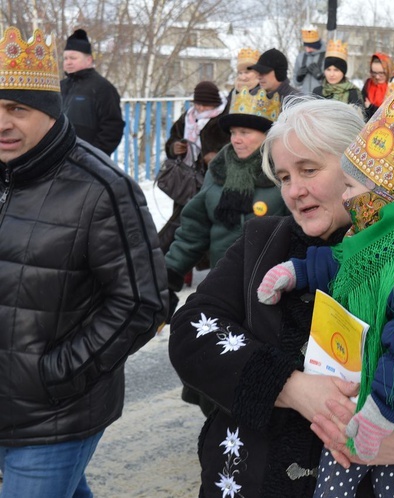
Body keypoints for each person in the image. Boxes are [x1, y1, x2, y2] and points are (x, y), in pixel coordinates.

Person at [168, 96, 394, 497]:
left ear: (359, 163)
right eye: (284, 177)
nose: (294, 191)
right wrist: (289, 386)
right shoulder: (263, 242)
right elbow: (191, 333)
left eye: (309, 169)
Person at [0, 26, 167, 497]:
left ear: (49, 113)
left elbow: (143, 302)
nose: (2, 123)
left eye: (17, 109)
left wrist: (55, 374)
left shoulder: (103, 189)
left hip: (53, 416)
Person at [165, 88, 288, 415]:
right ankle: (218, 423)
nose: (236, 139)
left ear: (266, 136)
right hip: (223, 286)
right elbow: (193, 225)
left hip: (270, 295)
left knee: (258, 369)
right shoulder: (219, 171)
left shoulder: (283, 175)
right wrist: (171, 271)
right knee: (217, 361)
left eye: (245, 132)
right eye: (233, 132)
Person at [158, 81, 230, 272]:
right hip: (187, 179)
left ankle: (162, 258)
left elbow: (231, 147)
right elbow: (172, 139)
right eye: (197, 104)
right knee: (184, 221)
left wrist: (213, 156)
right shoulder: (188, 118)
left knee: (196, 222)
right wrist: (174, 148)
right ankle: (176, 266)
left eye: (204, 105)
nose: (199, 109)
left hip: (211, 180)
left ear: (214, 103)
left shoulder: (223, 119)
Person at [60, 28, 125, 155]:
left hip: (87, 162)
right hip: (59, 159)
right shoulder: (60, 87)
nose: (68, 62)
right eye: (65, 58)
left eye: (73, 58)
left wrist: (93, 155)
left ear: (88, 60)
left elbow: (112, 127)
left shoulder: (103, 88)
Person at [312, 39, 364, 108]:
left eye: (336, 70)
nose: (331, 74)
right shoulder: (317, 91)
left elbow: (358, 116)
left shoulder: (353, 92)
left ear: (343, 72)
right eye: (328, 69)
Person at [362, 52, 394, 119]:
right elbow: (363, 108)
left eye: (381, 73)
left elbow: (391, 114)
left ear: (388, 70)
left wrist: (371, 107)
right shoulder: (368, 83)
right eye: (374, 73)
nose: (377, 77)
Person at [293, 25, 326, 94]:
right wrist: (298, 78)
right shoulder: (300, 57)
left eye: (310, 46)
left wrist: (321, 77)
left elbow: (333, 83)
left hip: (322, 99)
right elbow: (295, 83)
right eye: (306, 46)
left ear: (316, 45)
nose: (308, 50)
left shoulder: (326, 56)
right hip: (304, 99)